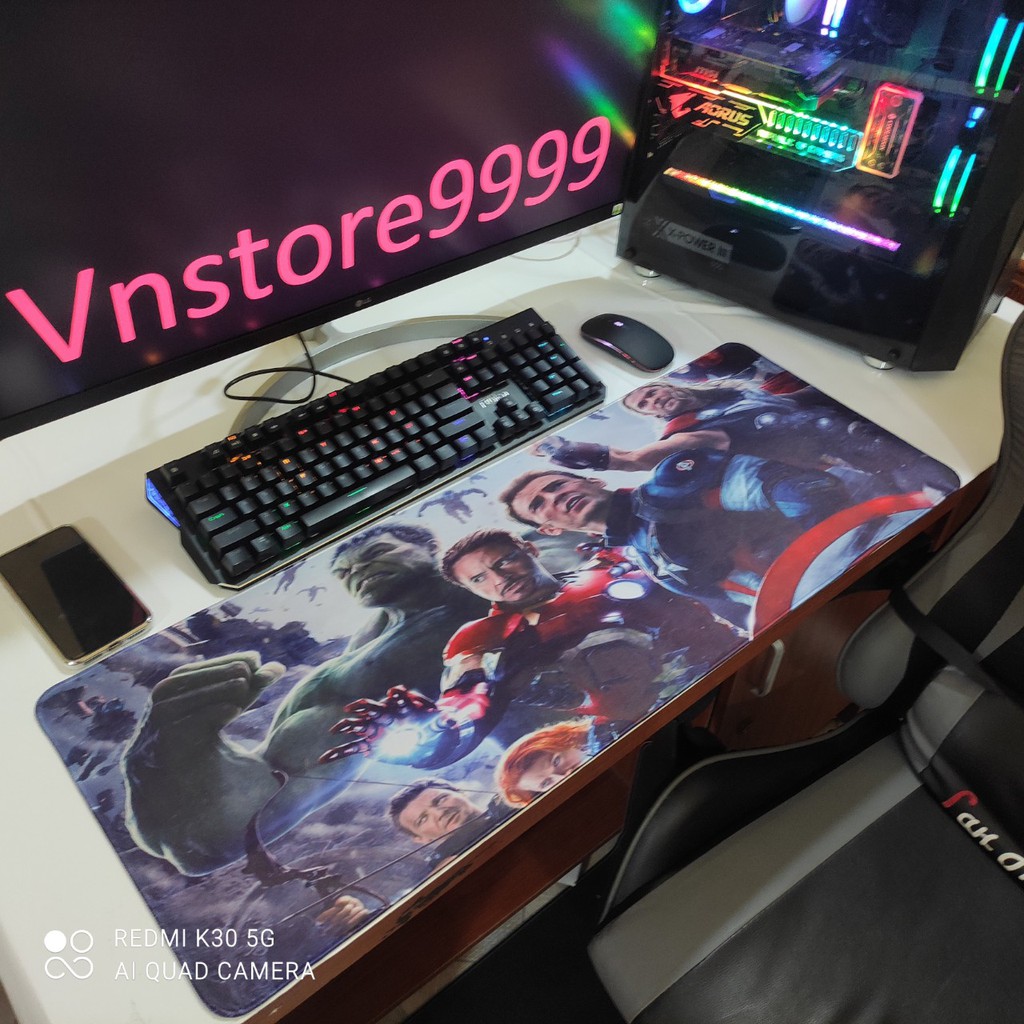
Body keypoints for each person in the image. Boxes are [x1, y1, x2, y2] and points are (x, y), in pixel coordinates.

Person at [121, 523, 486, 876]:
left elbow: (212, 843)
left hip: (282, 779)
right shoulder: (376, 628)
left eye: (377, 552)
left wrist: (210, 828)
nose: (358, 572)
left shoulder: (477, 598)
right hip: (251, 777)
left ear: (431, 547)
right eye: (344, 573)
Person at [321, 529, 739, 768]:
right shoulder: (481, 636)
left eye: (503, 562)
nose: (498, 579)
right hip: (639, 732)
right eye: (479, 579)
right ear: (470, 589)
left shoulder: (607, 569)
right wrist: (434, 730)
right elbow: (467, 696)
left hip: (728, 671)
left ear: (530, 550)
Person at [495, 720, 595, 806]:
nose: (563, 777)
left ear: (563, 741)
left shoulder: (599, 731)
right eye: (545, 783)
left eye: (556, 762)